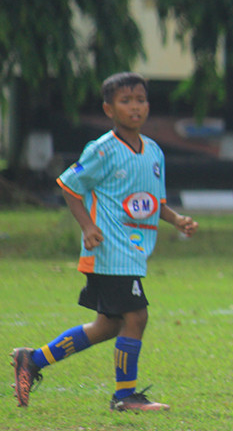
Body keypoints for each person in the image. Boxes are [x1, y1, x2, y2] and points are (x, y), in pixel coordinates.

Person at [10, 72, 198, 412]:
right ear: (108, 109)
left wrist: (177, 220)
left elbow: (154, 201)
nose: (135, 107)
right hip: (109, 250)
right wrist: (87, 227)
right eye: (126, 101)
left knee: (108, 325)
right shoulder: (102, 149)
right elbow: (69, 186)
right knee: (136, 316)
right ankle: (124, 397)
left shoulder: (154, 151)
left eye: (140, 100)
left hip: (135, 251)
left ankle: (33, 360)